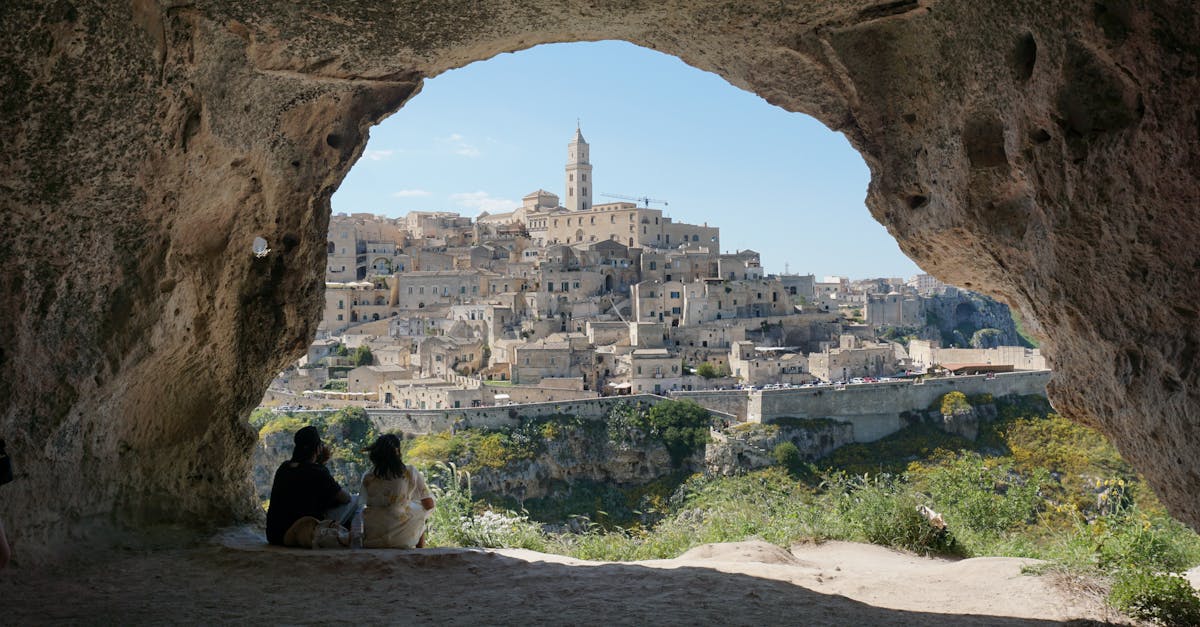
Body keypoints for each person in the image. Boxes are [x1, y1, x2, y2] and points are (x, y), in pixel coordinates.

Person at [265, 426, 357, 546]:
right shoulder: (317, 471)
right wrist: (322, 466)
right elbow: (345, 498)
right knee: (355, 499)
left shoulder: (283, 468)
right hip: (300, 534)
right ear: (318, 449)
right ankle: (347, 537)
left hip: (274, 535)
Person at [361, 434, 435, 549]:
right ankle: (420, 550)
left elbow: (362, 502)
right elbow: (429, 505)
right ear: (398, 451)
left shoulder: (368, 475)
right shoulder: (409, 471)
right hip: (400, 538)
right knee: (420, 509)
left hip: (373, 535)